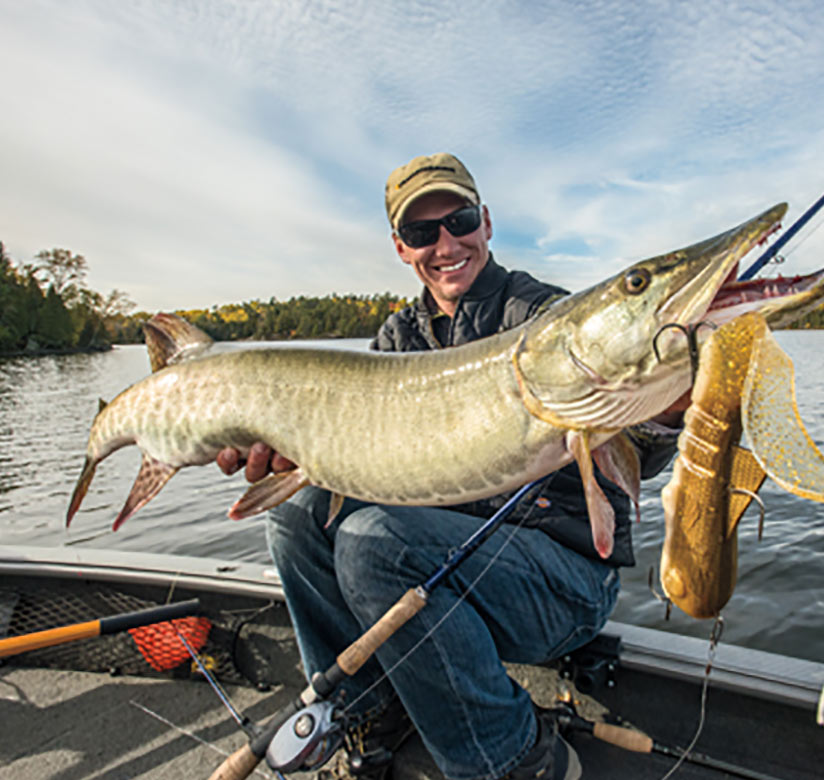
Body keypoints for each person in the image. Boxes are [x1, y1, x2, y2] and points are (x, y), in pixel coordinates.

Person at [217, 153, 685, 780]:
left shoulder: (545, 319)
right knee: (297, 515)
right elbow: (340, 464)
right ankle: (370, 708)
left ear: (486, 222)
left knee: (372, 545)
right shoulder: (396, 342)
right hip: (449, 577)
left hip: (562, 585)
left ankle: (514, 758)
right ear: (401, 249)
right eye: (420, 232)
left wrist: (669, 411)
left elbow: (643, 451)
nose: (445, 243)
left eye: (458, 218)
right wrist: (285, 450)